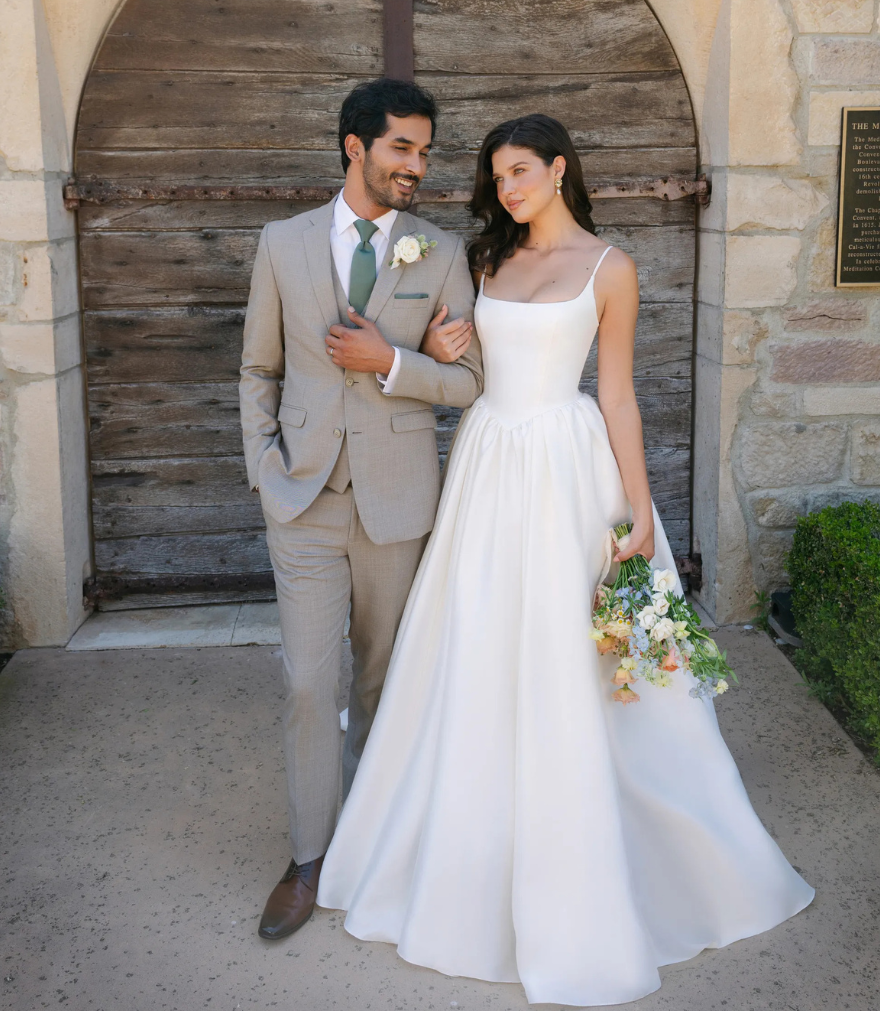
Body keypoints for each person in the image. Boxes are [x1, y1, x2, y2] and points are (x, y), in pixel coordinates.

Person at [317, 114, 813, 1007]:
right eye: (495, 176)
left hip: (565, 468)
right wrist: (434, 346)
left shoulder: (608, 267)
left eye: (520, 172)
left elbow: (616, 394)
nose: (506, 189)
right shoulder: (482, 262)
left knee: (576, 655)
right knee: (473, 646)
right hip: (487, 460)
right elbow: (461, 369)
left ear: (557, 170)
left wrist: (642, 507)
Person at [239, 78, 483, 942]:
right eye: (402, 149)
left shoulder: (443, 253)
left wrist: (393, 362)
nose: (417, 165)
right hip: (302, 498)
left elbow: (468, 382)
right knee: (311, 684)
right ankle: (310, 858)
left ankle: (374, 844)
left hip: (395, 503)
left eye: (424, 150)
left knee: (383, 679)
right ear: (356, 146)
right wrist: (264, 470)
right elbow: (258, 369)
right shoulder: (283, 243)